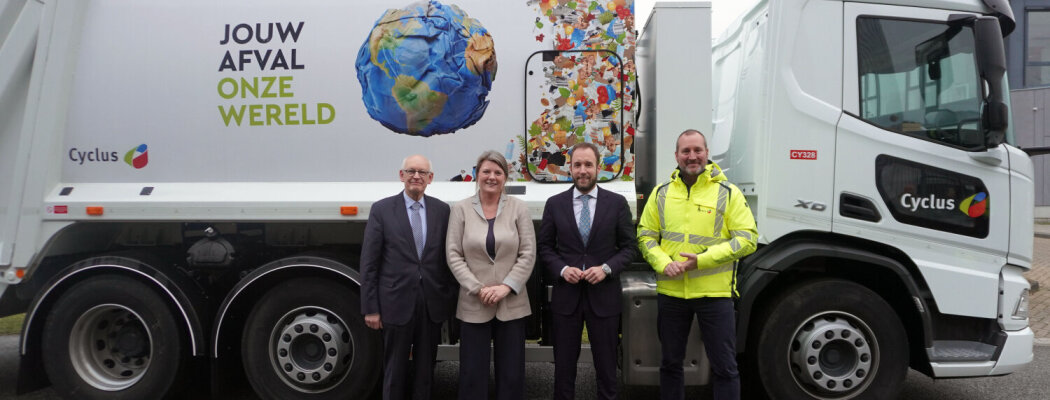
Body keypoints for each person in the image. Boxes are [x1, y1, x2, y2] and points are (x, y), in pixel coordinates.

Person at [637, 130, 758, 400]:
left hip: (714, 295)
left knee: (725, 368)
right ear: (677, 155)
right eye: (686, 151)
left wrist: (701, 261)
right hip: (672, 294)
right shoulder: (661, 193)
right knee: (670, 364)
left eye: (697, 150)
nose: (692, 156)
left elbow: (748, 240)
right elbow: (645, 236)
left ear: (707, 152)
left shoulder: (729, 193)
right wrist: (663, 262)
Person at [537, 142, 636, 400]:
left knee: (606, 371)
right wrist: (562, 269)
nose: (583, 170)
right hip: (566, 300)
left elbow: (629, 248)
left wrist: (606, 269)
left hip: (604, 298)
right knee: (564, 372)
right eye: (577, 165)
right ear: (570, 168)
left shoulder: (616, 204)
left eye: (588, 165)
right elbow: (545, 247)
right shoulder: (554, 204)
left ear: (598, 168)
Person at [360, 155, 457, 400]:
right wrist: (371, 308)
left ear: (430, 178)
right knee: (395, 369)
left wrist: (447, 298)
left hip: (431, 305)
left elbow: (448, 258)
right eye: (411, 171)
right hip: (395, 304)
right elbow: (370, 263)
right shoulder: (382, 210)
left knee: (426, 370)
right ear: (401, 175)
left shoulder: (442, 210)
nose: (417, 176)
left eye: (422, 172)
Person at [446, 150, 536, 400]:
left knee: (511, 375)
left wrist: (506, 287)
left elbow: (528, 253)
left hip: (512, 303)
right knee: (472, 375)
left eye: (498, 172)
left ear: (505, 178)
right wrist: (478, 288)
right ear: (477, 174)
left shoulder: (519, 208)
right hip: (475, 302)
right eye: (486, 171)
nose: (491, 177)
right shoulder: (461, 209)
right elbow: (453, 254)